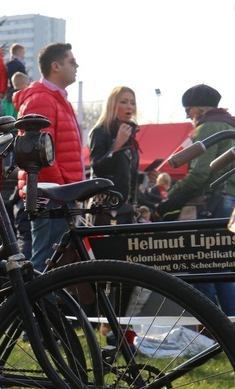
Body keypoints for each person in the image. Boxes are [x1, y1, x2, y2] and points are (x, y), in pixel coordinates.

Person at [158, 84, 235, 316]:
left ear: (197, 110)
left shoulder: (207, 128)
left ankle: (208, 331)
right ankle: (229, 326)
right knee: (224, 268)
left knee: (202, 265)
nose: (188, 117)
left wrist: (172, 196)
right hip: (229, 202)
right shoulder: (229, 125)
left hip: (210, 203)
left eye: (188, 111)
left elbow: (200, 174)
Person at [12, 42, 83, 272]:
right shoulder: (42, 99)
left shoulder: (56, 99)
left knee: (54, 262)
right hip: (52, 194)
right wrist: (62, 191)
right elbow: (40, 155)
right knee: (46, 261)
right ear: (55, 66)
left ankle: (43, 307)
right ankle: (36, 308)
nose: (77, 66)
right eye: (71, 62)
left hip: (59, 193)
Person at [89, 86, 150, 225]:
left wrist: (144, 176)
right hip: (106, 209)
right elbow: (98, 168)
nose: (129, 106)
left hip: (128, 209)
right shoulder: (100, 131)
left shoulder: (130, 135)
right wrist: (116, 145)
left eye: (132, 102)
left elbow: (123, 174)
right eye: (124, 102)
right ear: (112, 105)